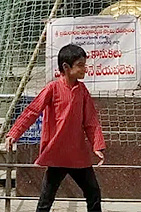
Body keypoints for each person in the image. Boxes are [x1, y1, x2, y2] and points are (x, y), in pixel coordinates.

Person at [6, 43, 105, 212]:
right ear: (66, 67)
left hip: (77, 154)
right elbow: (32, 111)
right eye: (80, 66)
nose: (85, 70)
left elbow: (91, 120)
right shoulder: (52, 88)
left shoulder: (82, 91)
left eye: (84, 65)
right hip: (57, 153)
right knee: (47, 197)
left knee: (93, 192)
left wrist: (97, 145)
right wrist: (14, 134)